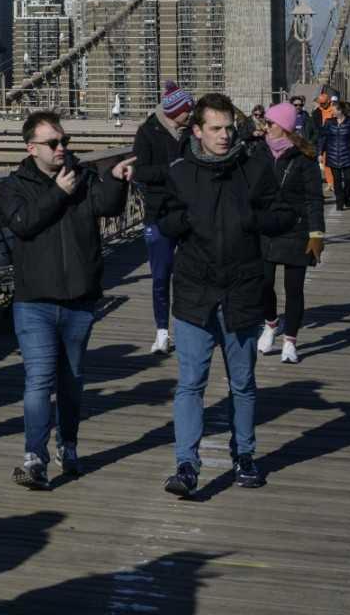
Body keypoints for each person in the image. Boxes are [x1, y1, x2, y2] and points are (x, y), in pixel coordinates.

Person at [134, 93, 291, 496]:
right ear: (198, 131)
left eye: (229, 128)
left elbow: (283, 214)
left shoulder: (254, 169)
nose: (224, 136)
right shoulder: (180, 172)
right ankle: (186, 465)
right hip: (194, 293)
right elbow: (162, 216)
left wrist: (251, 219)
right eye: (216, 129)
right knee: (191, 383)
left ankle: (245, 456)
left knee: (243, 383)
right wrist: (184, 221)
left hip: (240, 291)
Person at [3, 110, 135, 489]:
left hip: (79, 298)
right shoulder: (16, 185)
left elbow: (106, 206)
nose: (62, 148)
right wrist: (57, 194)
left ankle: (69, 446)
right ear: (32, 148)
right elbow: (23, 223)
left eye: (64, 142)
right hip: (34, 301)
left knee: (72, 381)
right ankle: (34, 458)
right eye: (53, 143)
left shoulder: (83, 174)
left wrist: (116, 180)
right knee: (39, 380)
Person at [256, 103, 326, 364]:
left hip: (297, 229)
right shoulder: (258, 151)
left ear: (283, 127)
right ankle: (271, 324)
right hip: (265, 228)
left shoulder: (303, 157)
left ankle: (290, 342)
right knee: (263, 284)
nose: (266, 127)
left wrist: (316, 233)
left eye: (271, 124)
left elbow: (314, 199)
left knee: (293, 289)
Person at [133, 83, 193, 354]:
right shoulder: (147, 132)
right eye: (186, 110)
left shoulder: (193, 133)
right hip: (159, 214)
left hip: (190, 212)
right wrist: (170, 170)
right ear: (173, 112)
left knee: (191, 274)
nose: (190, 114)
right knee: (160, 276)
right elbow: (141, 172)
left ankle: (188, 328)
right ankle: (161, 332)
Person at [317, 100, 350, 210]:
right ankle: (339, 202)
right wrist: (320, 153)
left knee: (349, 179)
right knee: (336, 181)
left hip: (348, 155)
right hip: (333, 154)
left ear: (340, 110)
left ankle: (347, 197)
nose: (332, 112)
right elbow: (323, 138)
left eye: (334, 110)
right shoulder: (328, 122)